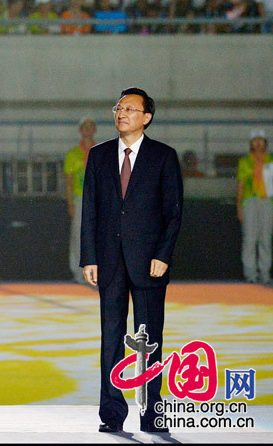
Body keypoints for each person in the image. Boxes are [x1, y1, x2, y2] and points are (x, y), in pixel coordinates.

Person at [80, 87, 183, 434]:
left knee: (149, 338)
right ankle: (111, 414)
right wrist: (89, 258)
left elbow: (174, 213)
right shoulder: (98, 156)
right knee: (111, 338)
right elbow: (90, 211)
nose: (121, 113)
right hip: (108, 261)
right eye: (118, 108)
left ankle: (152, 413)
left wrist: (163, 255)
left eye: (129, 109)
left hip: (149, 262)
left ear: (146, 117)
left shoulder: (163, 157)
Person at [236, 129, 273, 284]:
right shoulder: (245, 161)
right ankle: (250, 275)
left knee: (265, 238)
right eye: (255, 140)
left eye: (261, 140)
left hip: (268, 201)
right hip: (250, 201)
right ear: (251, 143)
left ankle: (264, 274)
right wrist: (239, 206)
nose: (258, 143)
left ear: (265, 142)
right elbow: (241, 184)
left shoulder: (271, 160)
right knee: (250, 238)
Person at [64, 117, 97, 284]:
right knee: (78, 236)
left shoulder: (103, 151)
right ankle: (78, 273)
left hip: (98, 199)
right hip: (80, 198)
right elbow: (68, 181)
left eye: (91, 126)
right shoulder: (72, 154)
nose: (88, 129)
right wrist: (70, 203)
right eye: (85, 126)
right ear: (80, 129)